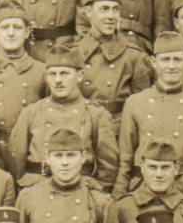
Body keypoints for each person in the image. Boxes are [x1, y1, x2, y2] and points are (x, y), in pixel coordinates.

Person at [115, 32, 183, 207]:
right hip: (143, 188)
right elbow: (125, 160)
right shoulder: (135, 103)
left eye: (177, 60)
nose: (171, 66)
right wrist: (118, 196)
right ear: (154, 63)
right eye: (165, 60)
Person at [8, 43, 120, 189]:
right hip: (38, 187)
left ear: (79, 76)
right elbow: (16, 159)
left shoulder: (96, 114)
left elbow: (108, 166)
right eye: (52, 74)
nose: (58, 80)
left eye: (64, 73)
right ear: (46, 77)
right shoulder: (32, 112)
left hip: (80, 189)